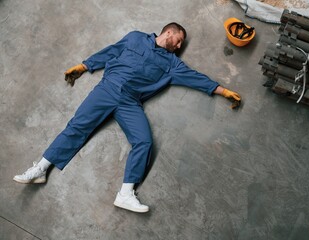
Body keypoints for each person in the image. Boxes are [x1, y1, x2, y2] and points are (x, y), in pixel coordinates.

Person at [13, 22, 241, 213]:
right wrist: (84, 66)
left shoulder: (172, 64)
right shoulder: (135, 38)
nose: (180, 46)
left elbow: (195, 78)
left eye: (181, 44)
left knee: (144, 141)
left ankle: (125, 193)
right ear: (169, 33)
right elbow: (111, 51)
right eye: (179, 40)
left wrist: (223, 91)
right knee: (77, 127)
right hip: (107, 89)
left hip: (130, 102)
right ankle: (40, 169)